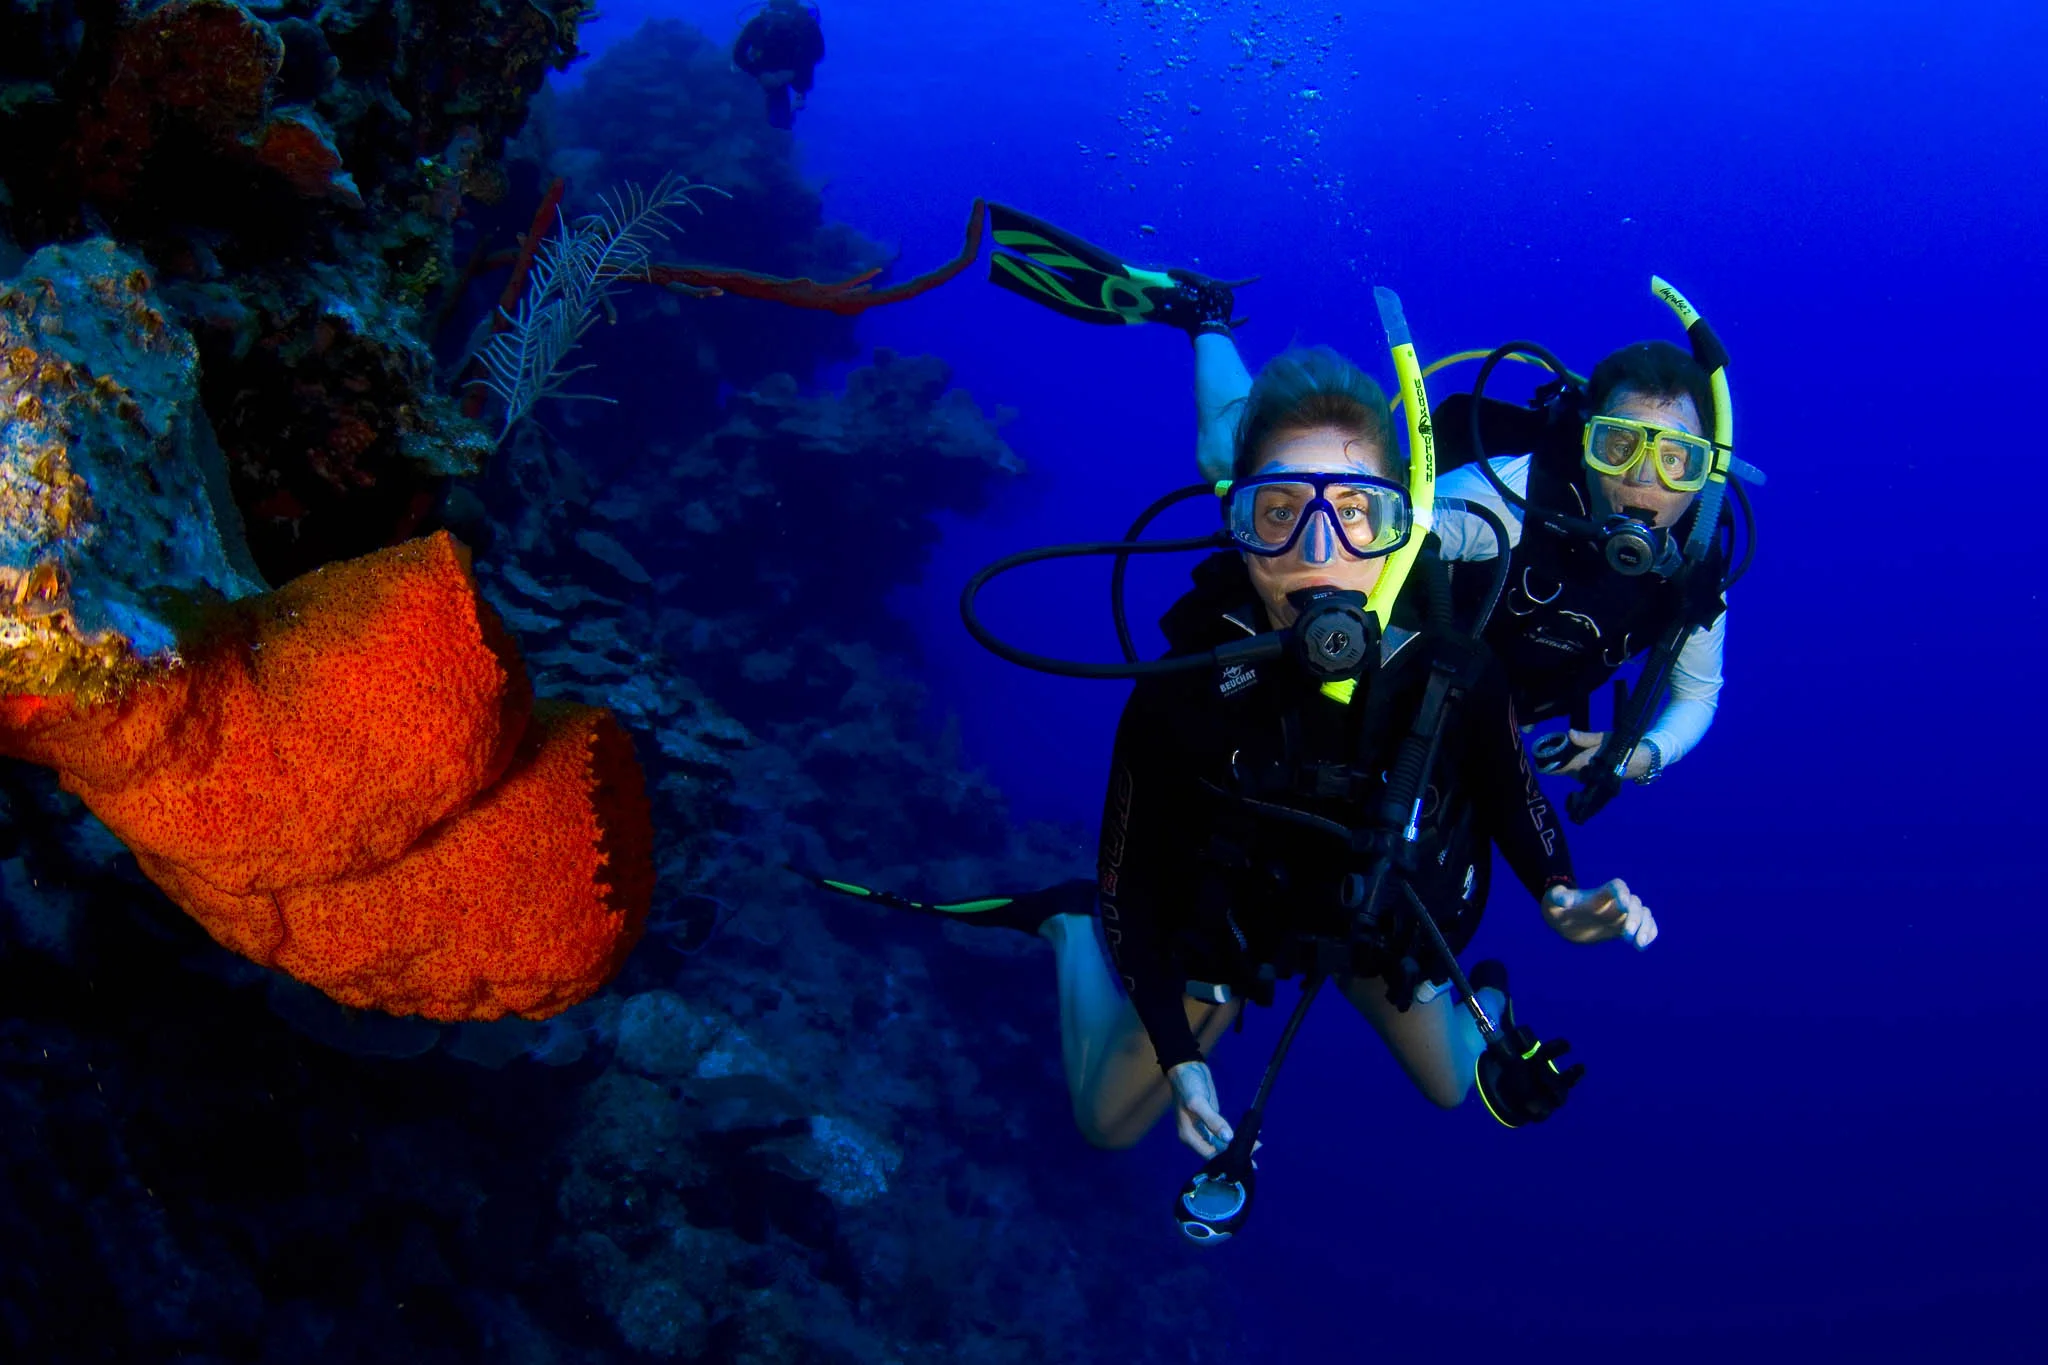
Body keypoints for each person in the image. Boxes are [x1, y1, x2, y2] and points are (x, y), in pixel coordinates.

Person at [814, 346, 1656, 1167]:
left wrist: (1558, 893)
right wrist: (1181, 1060)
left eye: (1358, 510)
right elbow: (1132, 890)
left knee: (1448, 1085)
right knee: (1105, 1124)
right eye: (1279, 510)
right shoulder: (1181, 691)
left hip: (1377, 917)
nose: (1319, 552)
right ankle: (1062, 930)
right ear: (1239, 528)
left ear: (1402, 526)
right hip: (1237, 923)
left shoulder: (1455, 669)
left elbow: (1518, 797)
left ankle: (1488, 1001)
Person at [982, 205, 1732, 795]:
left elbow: (1698, 693)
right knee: (1242, 457)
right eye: (1619, 445)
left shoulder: (1695, 572)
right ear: (1583, 440)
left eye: (1678, 459)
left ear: (1708, 471)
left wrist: (1641, 752)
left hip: (1458, 728)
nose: (1646, 481)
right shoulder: (1506, 496)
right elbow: (1395, 533)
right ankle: (1203, 314)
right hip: (1394, 676)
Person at [731, 0, 825, 130]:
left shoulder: (807, 26)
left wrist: (792, 74)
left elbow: (817, 53)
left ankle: (797, 98)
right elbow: (738, 54)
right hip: (768, 71)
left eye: (786, 10)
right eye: (777, 10)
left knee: (802, 84)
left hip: (796, 69)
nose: (781, 16)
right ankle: (778, 122)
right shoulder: (759, 24)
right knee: (775, 101)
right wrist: (760, 73)